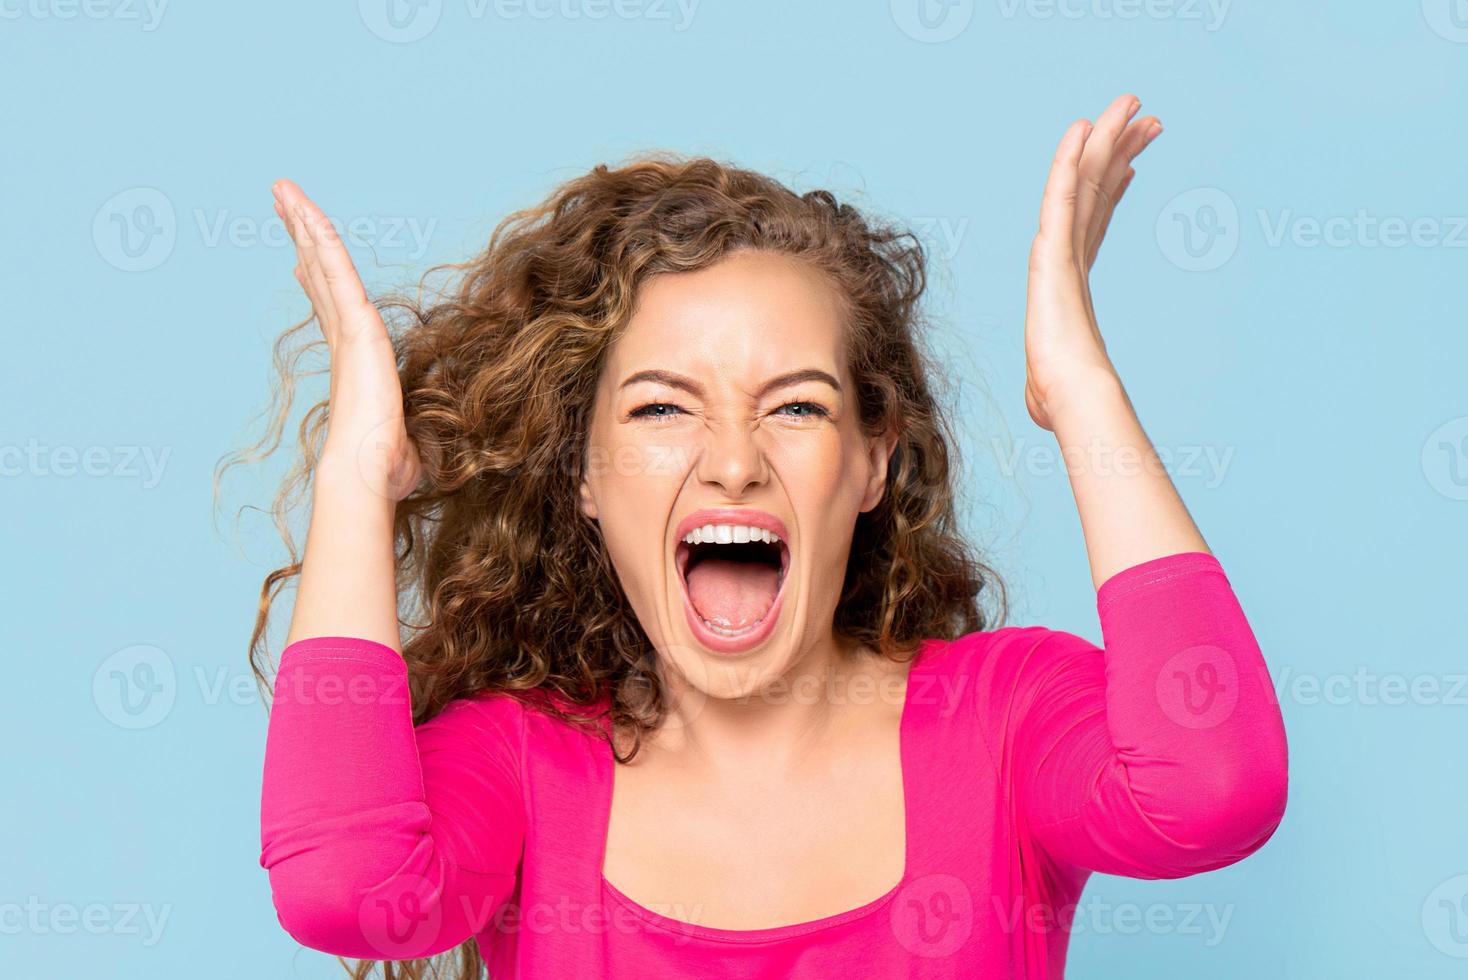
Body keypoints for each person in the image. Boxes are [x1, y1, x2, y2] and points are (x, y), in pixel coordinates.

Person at [246, 93, 1289, 979]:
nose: (734, 460)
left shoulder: (1000, 720)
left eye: (795, 407)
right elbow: (345, 887)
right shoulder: (523, 762)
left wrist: (1079, 388)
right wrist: (354, 481)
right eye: (660, 409)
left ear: (874, 458)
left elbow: (1209, 789)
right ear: (584, 474)